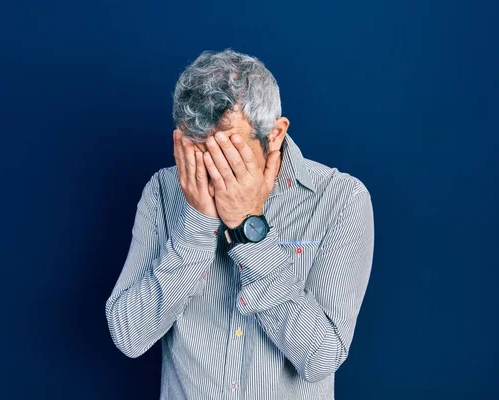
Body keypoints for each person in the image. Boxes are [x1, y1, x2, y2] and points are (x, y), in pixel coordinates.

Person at [105, 48, 375, 400]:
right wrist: (197, 225)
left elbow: (321, 357)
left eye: (226, 149)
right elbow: (130, 336)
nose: (210, 168)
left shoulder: (340, 199)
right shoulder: (162, 191)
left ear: (275, 135)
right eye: (195, 148)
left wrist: (250, 228)